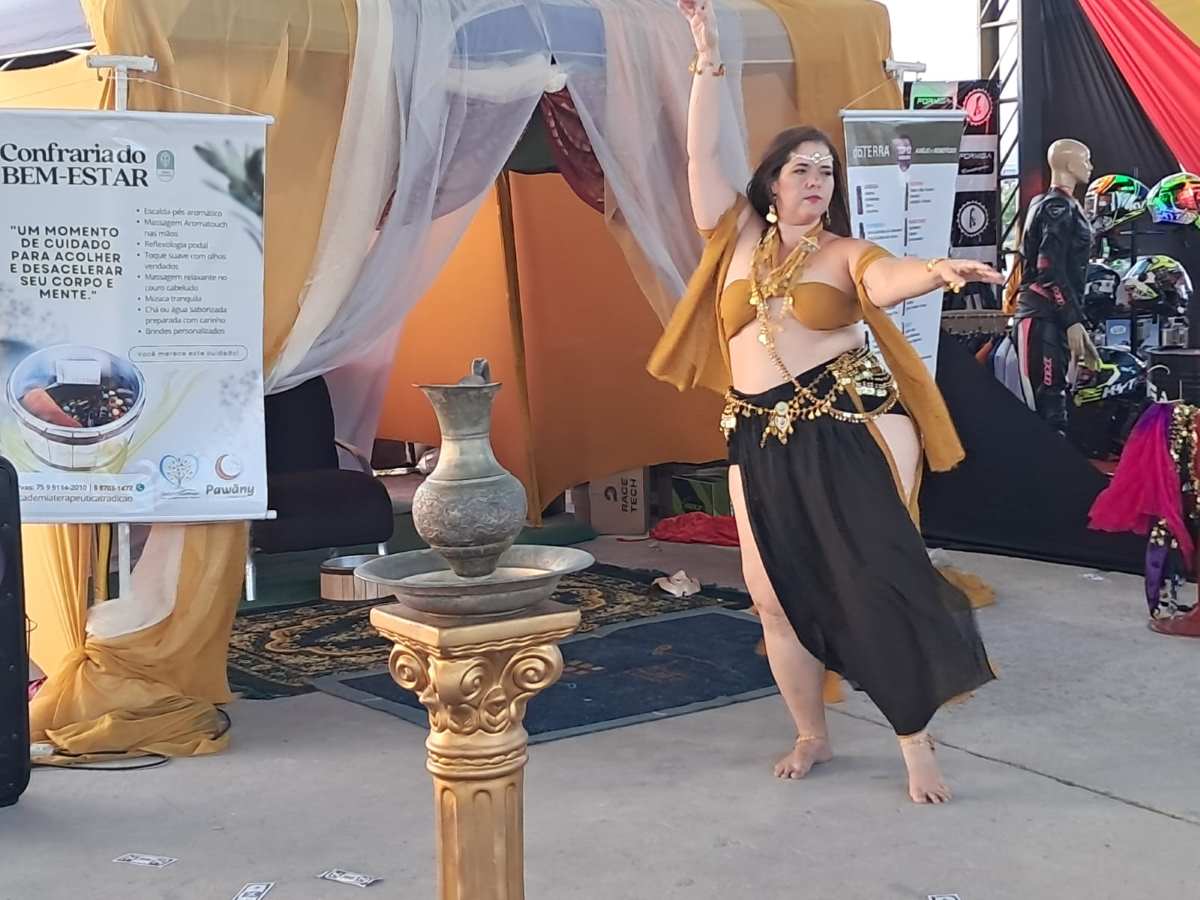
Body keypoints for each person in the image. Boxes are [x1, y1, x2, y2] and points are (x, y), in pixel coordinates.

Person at [649, 0, 1001, 804]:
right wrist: (708, 54)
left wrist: (934, 271)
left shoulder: (846, 253)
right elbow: (701, 152)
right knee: (771, 598)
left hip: (839, 431)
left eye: (827, 172)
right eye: (802, 170)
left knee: (872, 582)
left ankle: (914, 741)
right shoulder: (736, 239)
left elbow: (888, 279)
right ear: (771, 185)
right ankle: (811, 732)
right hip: (754, 435)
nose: (817, 181)